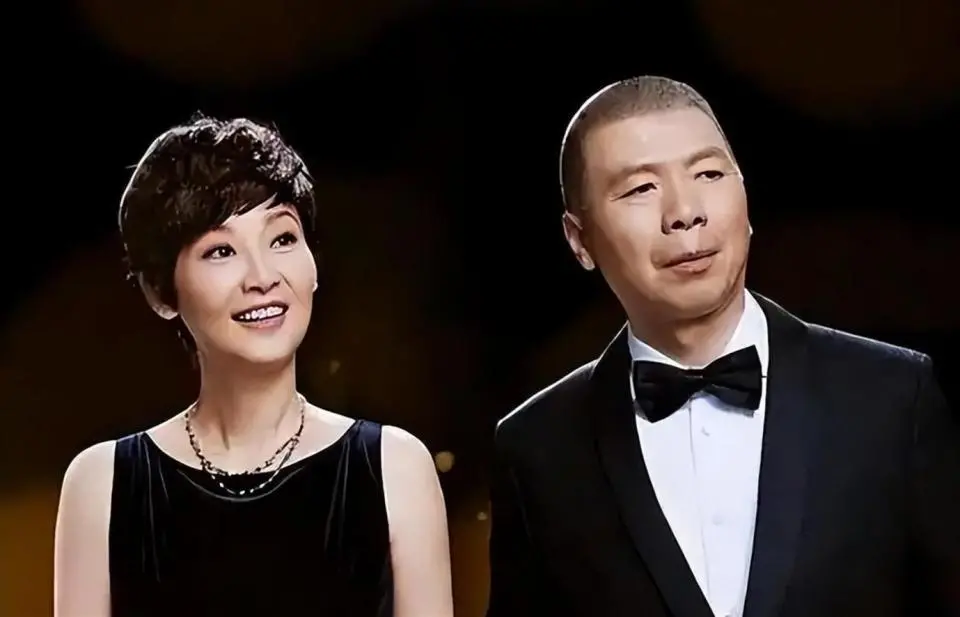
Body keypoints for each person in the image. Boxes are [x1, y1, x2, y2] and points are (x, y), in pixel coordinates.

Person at [486, 76, 959, 617]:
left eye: (708, 174)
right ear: (579, 240)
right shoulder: (537, 446)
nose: (684, 211)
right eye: (641, 189)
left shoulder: (892, 397)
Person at [53, 116, 454, 617]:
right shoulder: (102, 484)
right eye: (221, 251)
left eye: (282, 239)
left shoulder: (395, 469)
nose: (262, 277)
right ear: (160, 293)